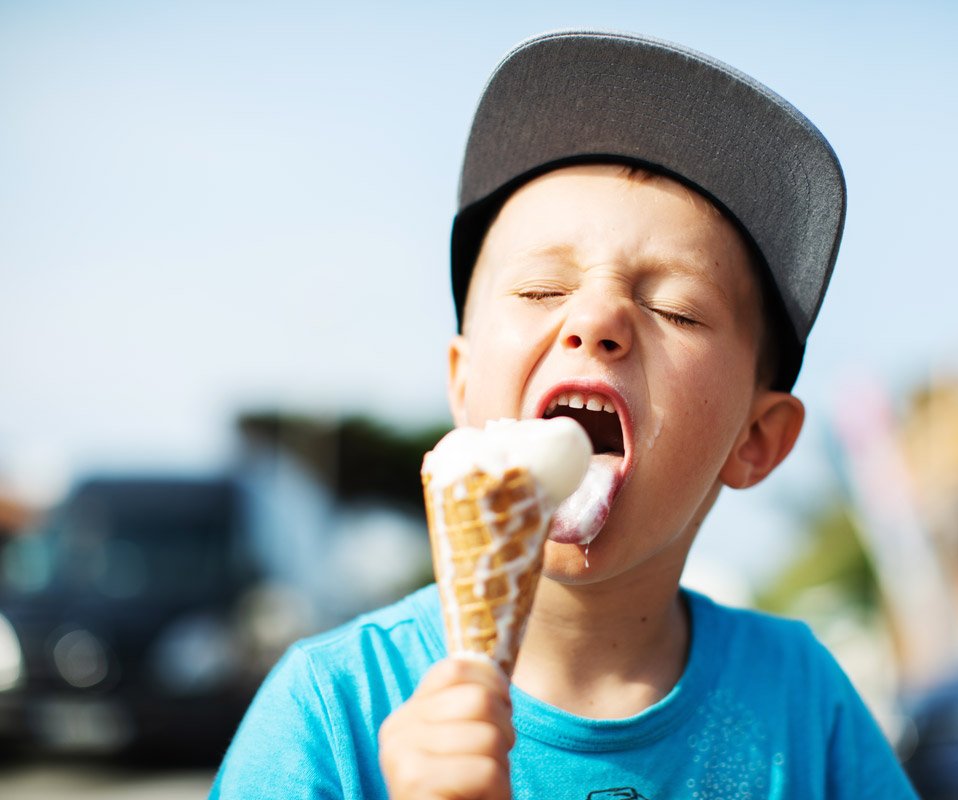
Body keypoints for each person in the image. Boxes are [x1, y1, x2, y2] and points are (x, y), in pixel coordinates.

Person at [210, 29, 918, 800]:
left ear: (754, 440)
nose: (598, 316)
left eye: (675, 307)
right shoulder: (331, 707)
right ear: (463, 381)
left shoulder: (802, 703)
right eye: (542, 289)